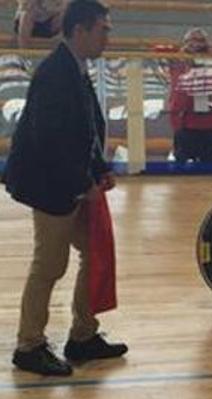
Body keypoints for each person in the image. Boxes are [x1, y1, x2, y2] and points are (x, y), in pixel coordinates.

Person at [3, 0, 127, 377]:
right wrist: (82, 183)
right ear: (79, 31)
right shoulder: (56, 73)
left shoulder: (75, 67)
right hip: (50, 187)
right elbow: (51, 140)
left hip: (68, 183)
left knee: (93, 253)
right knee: (49, 265)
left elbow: (85, 130)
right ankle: (29, 345)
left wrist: (99, 168)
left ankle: (83, 335)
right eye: (102, 29)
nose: (108, 36)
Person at [163, 28, 212, 164]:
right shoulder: (178, 61)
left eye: (201, 41)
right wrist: (186, 58)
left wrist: (211, 57)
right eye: (193, 41)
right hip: (185, 122)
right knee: (182, 168)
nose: (197, 45)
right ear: (185, 43)